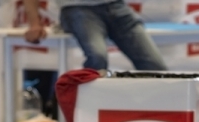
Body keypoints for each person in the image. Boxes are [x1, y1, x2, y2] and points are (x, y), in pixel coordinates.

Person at [22, 0, 167, 71]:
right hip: (78, 8)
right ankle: (87, 115)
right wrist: (34, 23)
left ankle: (155, 116)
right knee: (97, 59)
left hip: (117, 6)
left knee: (155, 66)